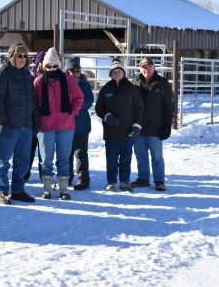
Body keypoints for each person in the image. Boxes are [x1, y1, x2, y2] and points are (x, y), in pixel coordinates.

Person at [0, 43, 40, 205]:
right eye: (19, 56)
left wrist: (34, 121)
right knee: (4, 160)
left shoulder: (27, 76)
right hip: (9, 126)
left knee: (23, 161)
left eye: (25, 56)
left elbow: (32, 100)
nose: (22, 59)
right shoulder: (2, 74)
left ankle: (18, 189)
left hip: (26, 126)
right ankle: (1, 190)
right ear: (12, 57)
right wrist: (2, 121)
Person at [34, 48, 84, 200]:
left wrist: (72, 113)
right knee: (46, 159)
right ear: (44, 66)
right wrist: (39, 118)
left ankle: (64, 189)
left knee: (63, 158)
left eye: (54, 66)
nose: (51, 69)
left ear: (59, 66)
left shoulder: (68, 80)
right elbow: (33, 103)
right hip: (46, 127)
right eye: (48, 66)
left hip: (66, 126)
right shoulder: (38, 82)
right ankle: (47, 189)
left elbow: (79, 98)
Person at [95, 58, 144, 192]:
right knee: (111, 158)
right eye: (114, 72)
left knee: (126, 158)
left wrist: (136, 126)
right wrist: (107, 116)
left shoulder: (132, 89)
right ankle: (111, 182)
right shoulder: (105, 89)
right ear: (111, 74)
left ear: (123, 73)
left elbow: (139, 109)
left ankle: (124, 181)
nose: (117, 74)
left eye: (119, 72)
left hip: (127, 131)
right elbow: (99, 108)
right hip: (111, 131)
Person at [131, 57, 175, 191]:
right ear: (140, 68)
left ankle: (159, 180)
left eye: (149, 66)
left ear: (154, 68)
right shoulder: (134, 83)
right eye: (143, 67)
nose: (146, 69)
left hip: (156, 127)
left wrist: (167, 126)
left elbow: (169, 106)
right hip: (138, 127)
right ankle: (143, 179)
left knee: (157, 156)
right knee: (141, 155)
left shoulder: (163, 84)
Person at [64, 56, 95, 190]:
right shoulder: (62, 84)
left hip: (81, 124)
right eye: (70, 70)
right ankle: (66, 176)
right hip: (65, 124)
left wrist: (75, 107)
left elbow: (89, 100)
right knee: (66, 152)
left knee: (80, 152)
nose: (73, 73)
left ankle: (82, 178)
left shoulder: (84, 84)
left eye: (76, 70)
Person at [24, 50, 46, 182]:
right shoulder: (29, 77)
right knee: (29, 148)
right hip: (31, 118)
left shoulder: (51, 78)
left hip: (45, 118)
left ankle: (44, 175)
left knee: (44, 149)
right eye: (42, 62)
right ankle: (25, 173)